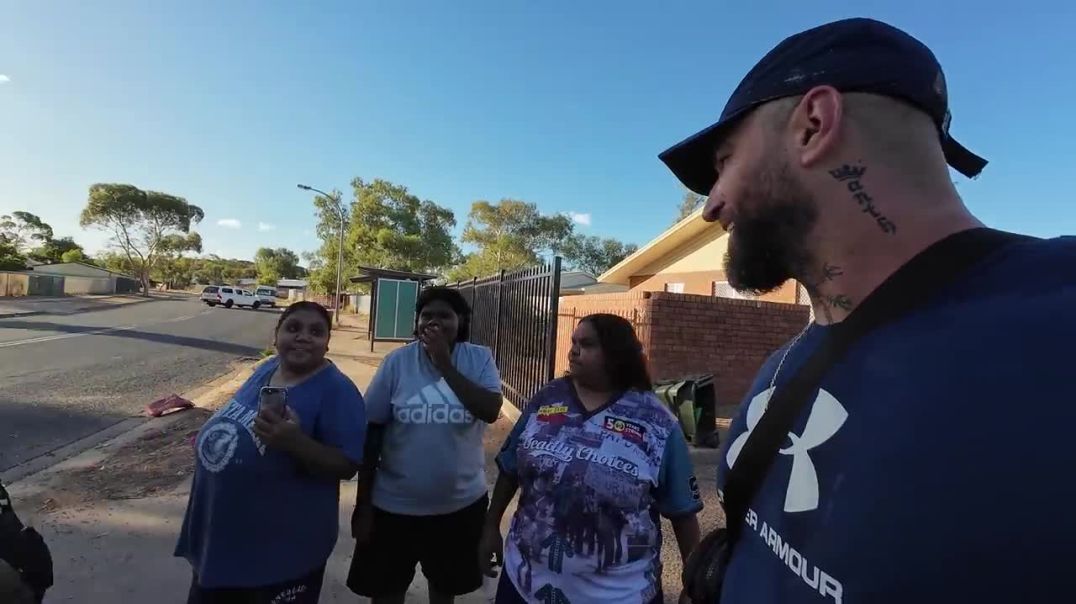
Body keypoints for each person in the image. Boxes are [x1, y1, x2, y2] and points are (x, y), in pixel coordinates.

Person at [658, 17, 1076, 604]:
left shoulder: (1057, 317)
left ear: (813, 125)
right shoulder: (784, 366)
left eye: (725, 161)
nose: (712, 206)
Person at [481, 314, 703, 603]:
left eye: (587, 344)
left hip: (619, 594)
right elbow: (511, 468)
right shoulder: (548, 398)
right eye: (573, 342)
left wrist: (694, 582)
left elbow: (683, 512)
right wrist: (490, 526)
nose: (573, 350)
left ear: (615, 354)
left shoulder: (656, 422)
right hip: (525, 583)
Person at [175, 301, 366, 604]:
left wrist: (295, 443)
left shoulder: (338, 391)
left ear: (327, 343)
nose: (303, 336)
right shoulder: (266, 369)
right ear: (276, 335)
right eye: (293, 328)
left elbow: (347, 465)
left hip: (279, 554)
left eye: (316, 332)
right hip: (223, 540)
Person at [347, 286, 503, 604]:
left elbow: (489, 410)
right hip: (393, 508)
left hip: (459, 508)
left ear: (461, 321)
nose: (433, 322)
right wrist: (363, 506)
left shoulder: (478, 358)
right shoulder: (397, 362)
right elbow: (372, 431)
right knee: (385, 592)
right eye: (426, 315)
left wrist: (444, 363)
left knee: (444, 591)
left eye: (444, 315)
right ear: (416, 322)